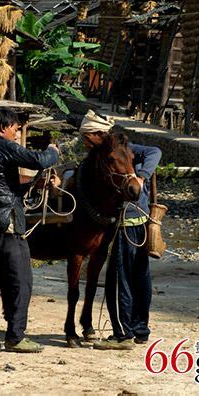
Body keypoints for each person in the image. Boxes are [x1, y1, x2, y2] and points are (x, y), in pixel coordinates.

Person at [0, 108, 59, 353]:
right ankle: (16, 337)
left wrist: (33, 183)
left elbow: (1, 186)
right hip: (7, 223)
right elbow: (39, 160)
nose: (17, 133)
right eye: (15, 129)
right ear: (3, 128)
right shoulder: (2, 146)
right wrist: (52, 152)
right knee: (21, 280)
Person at [78, 110, 162, 351]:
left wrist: (142, 177)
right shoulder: (116, 149)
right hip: (140, 220)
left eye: (87, 137)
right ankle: (140, 330)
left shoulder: (114, 151)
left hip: (127, 221)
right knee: (140, 276)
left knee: (120, 278)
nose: (85, 142)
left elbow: (156, 151)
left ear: (99, 134)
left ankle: (123, 333)